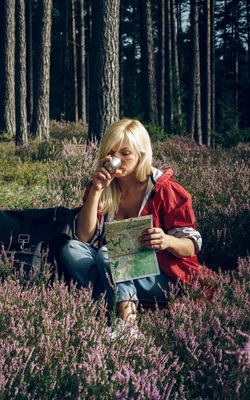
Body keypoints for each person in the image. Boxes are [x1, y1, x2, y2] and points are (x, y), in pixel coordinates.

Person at [59, 118, 213, 333]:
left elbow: (192, 245)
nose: (116, 159)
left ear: (141, 154)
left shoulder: (164, 189)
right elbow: (84, 237)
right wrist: (96, 191)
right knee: (71, 249)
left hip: (162, 278)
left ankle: (127, 324)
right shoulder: (104, 185)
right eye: (111, 153)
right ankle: (118, 299)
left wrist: (167, 241)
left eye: (125, 153)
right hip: (115, 270)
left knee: (108, 254)